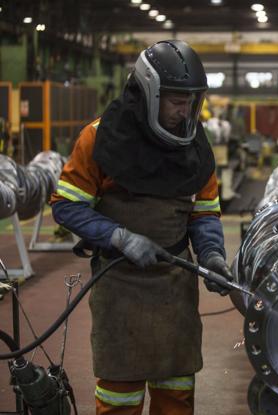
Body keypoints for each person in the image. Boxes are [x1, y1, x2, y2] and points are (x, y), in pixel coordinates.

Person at [50, 40, 232, 415]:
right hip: (120, 286)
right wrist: (119, 237)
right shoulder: (100, 140)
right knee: (120, 394)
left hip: (175, 285)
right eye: (177, 101)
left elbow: (204, 212)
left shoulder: (195, 147)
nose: (186, 112)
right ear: (149, 94)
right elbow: (67, 205)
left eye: (192, 102)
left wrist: (212, 254)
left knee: (177, 387)